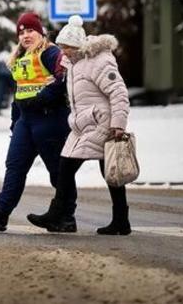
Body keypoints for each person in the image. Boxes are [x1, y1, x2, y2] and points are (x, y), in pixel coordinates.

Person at [26, 15, 132, 235]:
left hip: (101, 122)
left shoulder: (99, 61)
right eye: (61, 47)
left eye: (66, 48)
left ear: (76, 46)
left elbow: (119, 92)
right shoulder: (73, 64)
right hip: (82, 124)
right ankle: (121, 221)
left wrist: (118, 125)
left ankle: (57, 212)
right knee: (108, 171)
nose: (62, 52)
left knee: (68, 166)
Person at [0, 12, 71, 232]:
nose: (26, 36)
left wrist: (43, 98)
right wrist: (15, 121)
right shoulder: (19, 58)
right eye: (21, 32)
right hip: (25, 122)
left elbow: (64, 77)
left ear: (40, 32)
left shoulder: (51, 52)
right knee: (14, 166)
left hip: (50, 119)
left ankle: (66, 216)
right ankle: (1, 214)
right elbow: (20, 91)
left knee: (58, 171)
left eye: (30, 31)